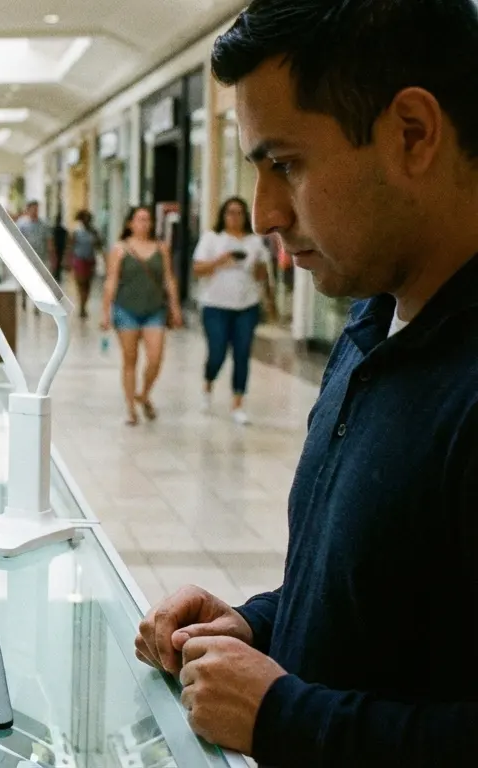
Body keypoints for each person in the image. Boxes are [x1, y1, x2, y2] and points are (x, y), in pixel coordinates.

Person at [133, 1, 478, 766]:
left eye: (284, 163)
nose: (262, 214)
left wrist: (283, 714)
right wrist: (259, 625)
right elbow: (391, 602)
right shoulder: (372, 326)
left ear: (413, 134)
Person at [192, 197, 277, 424]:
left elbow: (263, 274)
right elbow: (198, 269)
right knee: (217, 351)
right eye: (230, 212)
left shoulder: (254, 241)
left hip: (246, 306)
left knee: (242, 354)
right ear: (222, 214)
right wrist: (221, 260)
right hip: (215, 305)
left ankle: (238, 403)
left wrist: (268, 297)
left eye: (239, 212)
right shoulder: (212, 238)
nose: (234, 217)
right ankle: (207, 385)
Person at [101, 206, 184, 425]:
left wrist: (175, 307)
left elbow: (168, 278)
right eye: (139, 219)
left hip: (155, 310)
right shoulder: (120, 249)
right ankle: (130, 408)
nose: (144, 224)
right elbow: (111, 280)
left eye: (147, 220)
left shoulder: (161, 248)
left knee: (155, 358)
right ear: (130, 223)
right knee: (130, 360)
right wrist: (105, 312)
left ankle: (144, 394)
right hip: (126, 309)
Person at [66, 210, 103, 319]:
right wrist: (68, 261)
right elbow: (70, 247)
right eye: (85, 218)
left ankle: (84, 304)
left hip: (90, 260)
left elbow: (99, 246)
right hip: (79, 260)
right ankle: (82, 307)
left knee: (88, 285)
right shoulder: (76, 232)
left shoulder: (94, 232)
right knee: (81, 283)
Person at [15, 200, 55, 270]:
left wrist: (52, 257)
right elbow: (17, 240)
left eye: (36, 209)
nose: (35, 211)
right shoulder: (21, 224)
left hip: (41, 258)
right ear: (28, 209)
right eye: (33, 208)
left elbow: (49, 241)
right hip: (26, 258)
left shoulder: (44, 224)